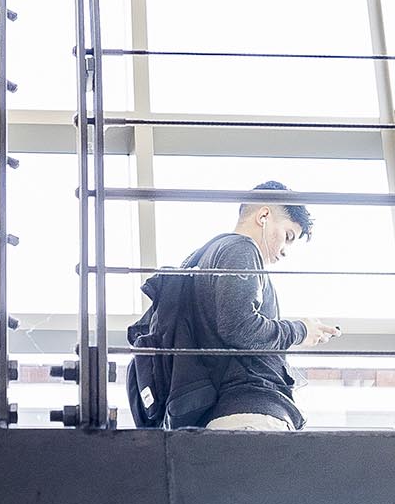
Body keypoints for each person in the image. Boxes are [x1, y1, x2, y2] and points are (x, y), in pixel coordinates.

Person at [128, 180, 338, 430]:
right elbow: (239, 326)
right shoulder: (241, 249)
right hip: (250, 413)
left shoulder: (202, 258)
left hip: (225, 413)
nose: (285, 251)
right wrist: (300, 330)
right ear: (264, 215)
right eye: (288, 236)